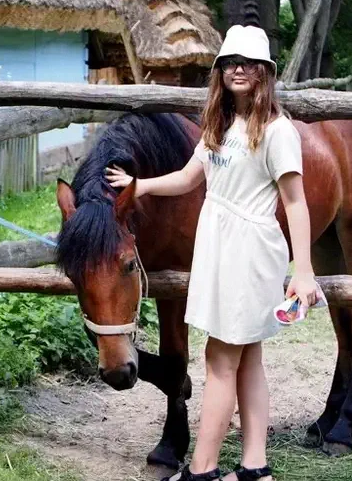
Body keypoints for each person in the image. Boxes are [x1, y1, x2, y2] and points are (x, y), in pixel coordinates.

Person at [105, 25, 319, 481]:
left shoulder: (277, 131)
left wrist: (303, 271)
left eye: (248, 63)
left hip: (250, 250)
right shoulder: (219, 127)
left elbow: (296, 203)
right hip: (219, 246)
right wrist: (138, 185)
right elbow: (188, 179)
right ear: (220, 72)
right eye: (229, 63)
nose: (238, 70)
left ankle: (202, 470)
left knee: (220, 361)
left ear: (264, 73)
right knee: (248, 358)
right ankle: (255, 467)